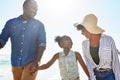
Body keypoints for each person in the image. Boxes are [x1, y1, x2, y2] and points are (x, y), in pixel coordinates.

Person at [0, 0, 46, 80]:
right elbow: (2, 41)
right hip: (15, 63)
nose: (35, 11)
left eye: (36, 9)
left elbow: (42, 44)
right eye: (33, 8)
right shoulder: (11, 23)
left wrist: (37, 62)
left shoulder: (39, 25)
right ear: (24, 7)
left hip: (31, 63)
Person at [74, 14, 120, 80]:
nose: (82, 33)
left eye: (83, 30)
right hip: (95, 76)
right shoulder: (84, 44)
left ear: (89, 29)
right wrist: (92, 78)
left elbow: (115, 62)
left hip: (109, 75)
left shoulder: (108, 40)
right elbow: (88, 64)